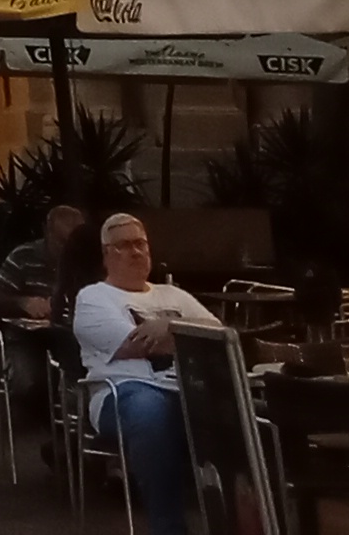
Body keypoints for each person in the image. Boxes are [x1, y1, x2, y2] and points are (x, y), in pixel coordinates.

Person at [73, 212, 222, 535]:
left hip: (187, 391)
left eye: (140, 243)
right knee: (150, 411)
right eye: (124, 245)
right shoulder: (93, 297)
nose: (136, 252)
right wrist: (188, 336)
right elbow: (135, 346)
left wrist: (168, 325)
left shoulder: (174, 295)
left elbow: (219, 337)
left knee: (247, 412)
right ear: (106, 255)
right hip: (123, 391)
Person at [0, 203, 88, 443]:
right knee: (27, 383)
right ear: (47, 232)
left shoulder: (85, 262)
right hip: (27, 335)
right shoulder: (23, 257)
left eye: (72, 244)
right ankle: (58, 433)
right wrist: (22, 302)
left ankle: (75, 436)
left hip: (71, 333)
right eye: (61, 242)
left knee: (88, 378)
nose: (66, 250)